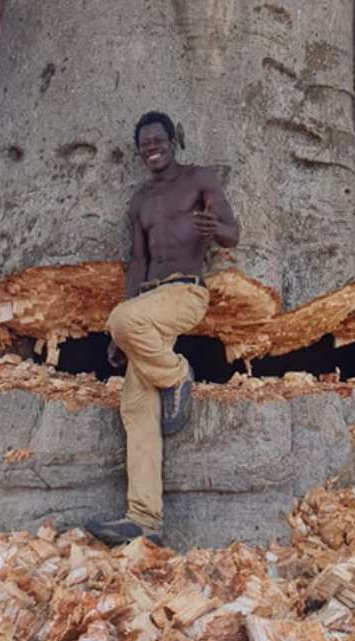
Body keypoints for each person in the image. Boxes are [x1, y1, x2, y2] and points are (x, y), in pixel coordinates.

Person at [85, 111, 239, 546]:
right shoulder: (140, 201)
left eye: (158, 140)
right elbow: (137, 262)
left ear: (173, 142)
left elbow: (233, 233)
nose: (151, 147)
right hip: (149, 300)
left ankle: (177, 375)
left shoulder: (199, 179)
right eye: (144, 144)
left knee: (120, 319)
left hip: (186, 293)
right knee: (135, 407)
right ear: (139, 152)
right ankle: (145, 519)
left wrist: (217, 228)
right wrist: (125, 334)